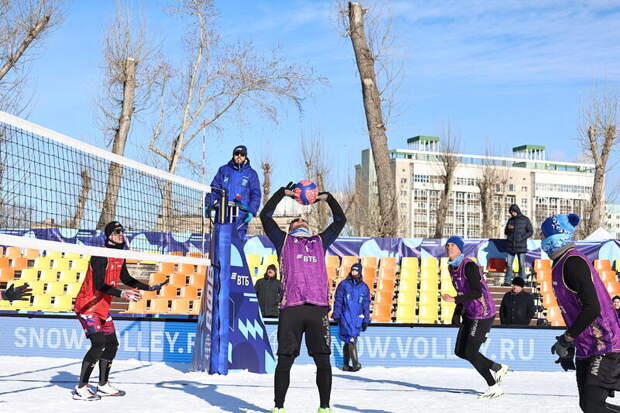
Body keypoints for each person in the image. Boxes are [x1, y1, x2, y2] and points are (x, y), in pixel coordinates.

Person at [260, 182, 346, 413]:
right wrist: (282, 194)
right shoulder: (284, 241)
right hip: (291, 308)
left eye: (303, 221)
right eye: (296, 222)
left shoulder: (319, 242)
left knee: (323, 361)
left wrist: (327, 198)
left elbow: (340, 221)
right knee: (285, 361)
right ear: (290, 229)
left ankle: (324, 407)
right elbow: (266, 216)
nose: (300, 221)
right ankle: (279, 407)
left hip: (317, 309)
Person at [72, 221, 168, 401]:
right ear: (109, 235)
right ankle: (81, 388)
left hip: (102, 308)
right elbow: (99, 285)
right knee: (98, 343)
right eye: (117, 231)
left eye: (122, 231)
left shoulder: (120, 254)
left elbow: (126, 278)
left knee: (112, 344)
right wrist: (122, 293)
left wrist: (149, 287)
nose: (121, 234)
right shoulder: (100, 254)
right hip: (87, 306)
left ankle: (103, 385)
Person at [542, 214, 620, 412]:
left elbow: (592, 308)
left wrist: (567, 338)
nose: (541, 238)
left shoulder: (573, 262)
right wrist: (571, 343)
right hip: (587, 345)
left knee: (592, 406)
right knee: (588, 406)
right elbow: (575, 310)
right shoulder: (559, 263)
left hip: (604, 342)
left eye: (544, 234)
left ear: (554, 235)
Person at [441, 235, 510, 399]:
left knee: (471, 352)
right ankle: (497, 367)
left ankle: (493, 386)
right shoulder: (451, 268)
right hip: (470, 312)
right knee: (460, 351)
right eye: (447, 245)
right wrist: (457, 312)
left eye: (452, 245)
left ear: (460, 249)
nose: (449, 247)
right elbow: (461, 291)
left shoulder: (469, 266)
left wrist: (454, 300)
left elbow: (477, 292)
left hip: (482, 313)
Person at [205, 145, 261, 239]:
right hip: (222, 212)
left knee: (236, 242)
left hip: (241, 215)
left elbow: (255, 194)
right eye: (237, 154)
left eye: (242, 154)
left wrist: (251, 211)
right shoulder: (223, 170)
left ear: (245, 156)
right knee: (220, 241)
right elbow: (214, 189)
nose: (239, 156)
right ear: (233, 155)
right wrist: (208, 204)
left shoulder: (251, 173)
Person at [332, 262, 370, 372]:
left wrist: (366, 320)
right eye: (352, 270)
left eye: (356, 270)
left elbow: (366, 304)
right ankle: (355, 364)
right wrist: (337, 314)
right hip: (346, 316)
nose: (354, 272)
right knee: (351, 339)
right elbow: (338, 300)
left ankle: (345, 365)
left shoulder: (364, 287)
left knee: (349, 340)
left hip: (357, 318)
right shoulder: (344, 284)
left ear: (360, 272)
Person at [503, 204, 533, 286]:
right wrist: (509, 229)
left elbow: (530, 231)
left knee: (522, 265)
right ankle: (507, 281)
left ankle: (522, 281)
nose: (512, 213)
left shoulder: (525, 219)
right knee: (509, 265)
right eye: (511, 212)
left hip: (521, 246)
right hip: (510, 246)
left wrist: (522, 237)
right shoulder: (510, 220)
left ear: (517, 211)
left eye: (514, 211)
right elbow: (505, 232)